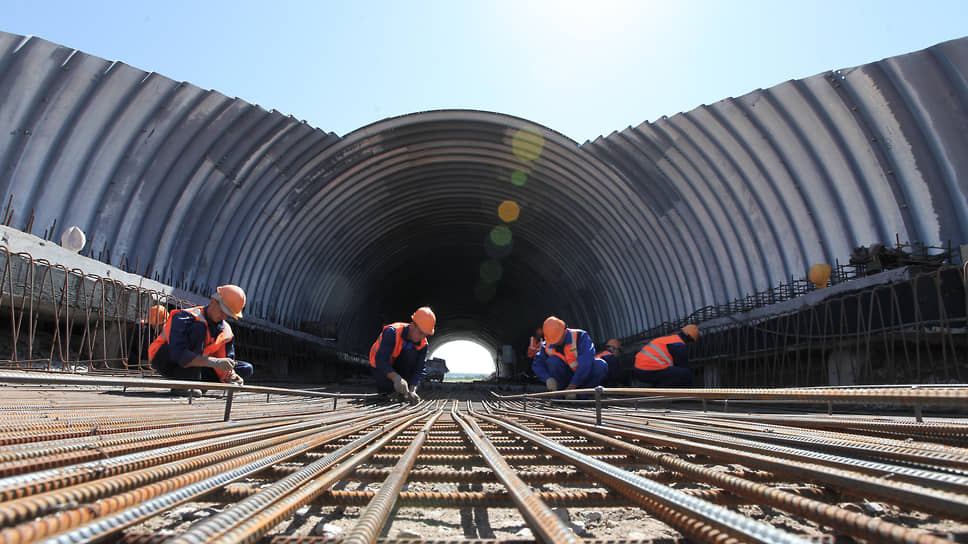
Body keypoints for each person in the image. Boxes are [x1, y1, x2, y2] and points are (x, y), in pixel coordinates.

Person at [148, 285, 253, 396]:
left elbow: (224, 358)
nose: (223, 316)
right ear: (213, 301)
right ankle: (187, 383)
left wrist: (231, 376)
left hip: (197, 366)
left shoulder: (225, 331)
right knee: (199, 328)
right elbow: (178, 353)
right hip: (166, 360)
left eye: (228, 314)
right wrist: (213, 362)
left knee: (246, 368)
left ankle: (198, 383)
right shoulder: (186, 317)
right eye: (223, 311)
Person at [369, 306, 436, 403]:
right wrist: (396, 378)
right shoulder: (392, 332)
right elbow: (381, 360)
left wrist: (412, 389)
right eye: (420, 332)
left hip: (400, 369)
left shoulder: (423, 344)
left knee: (411, 354)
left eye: (425, 334)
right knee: (386, 387)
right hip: (379, 368)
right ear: (412, 325)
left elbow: (419, 369)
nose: (422, 337)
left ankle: (402, 389)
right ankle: (391, 389)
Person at [531, 316, 608, 398]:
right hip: (564, 379)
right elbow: (537, 364)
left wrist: (573, 386)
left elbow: (586, 362)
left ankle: (581, 396)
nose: (556, 343)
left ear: (564, 331)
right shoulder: (547, 345)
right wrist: (547, 378)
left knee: (600, 365)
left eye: (557, 339)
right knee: (553, 361)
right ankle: (560, 396)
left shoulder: (580, 337)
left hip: (582, 376)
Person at [633, 324, 699, 387]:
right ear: (690, 340)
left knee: (673, 373)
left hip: (638, 369)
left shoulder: (670, 339)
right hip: (648, 371)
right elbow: (683, 366)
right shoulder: (679, 346)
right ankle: (662, 392)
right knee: (686, 374)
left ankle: (657, 389)